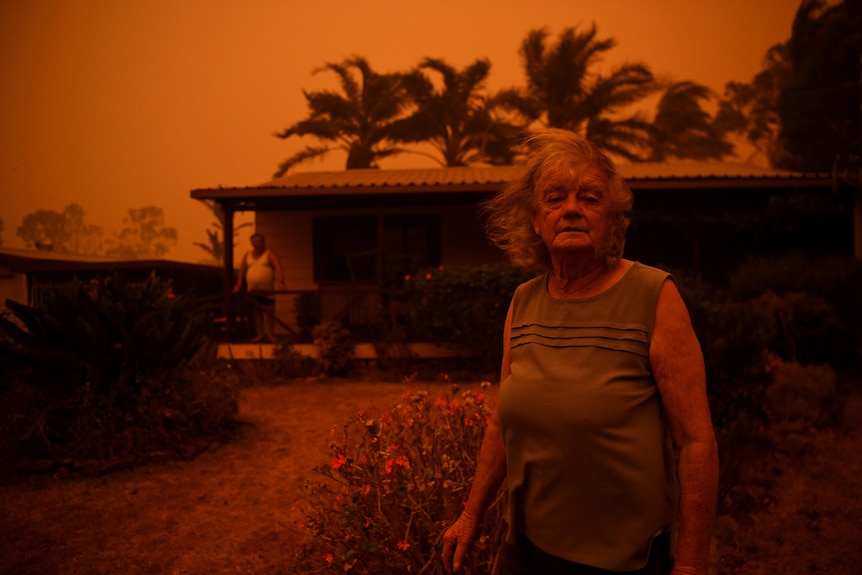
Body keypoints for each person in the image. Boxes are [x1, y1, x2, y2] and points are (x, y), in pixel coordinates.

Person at [441, 129, 718, 575]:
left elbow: (696, 442)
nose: (571, 209)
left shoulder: (653, 294)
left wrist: (690, 564)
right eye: (555, 198)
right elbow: (501, 423)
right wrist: (470, 514)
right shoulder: (524, 301)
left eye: (589, 198)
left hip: (622, 559)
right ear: (535, 219)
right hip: (525, 549)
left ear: (612, 219)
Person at [233, 232, 285, 342]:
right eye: (255, 242)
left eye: (259, 242)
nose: (257, 244)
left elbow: (278, 267)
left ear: (263, 242)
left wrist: (281, 281)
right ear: (252, 243)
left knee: (270, 312)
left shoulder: (270, 254)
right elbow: (241, 270)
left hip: (267, 290)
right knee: (257, 312)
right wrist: (238, 284)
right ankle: (260, 334)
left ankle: (271, 335)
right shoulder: (247, 255)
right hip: (253, 290)